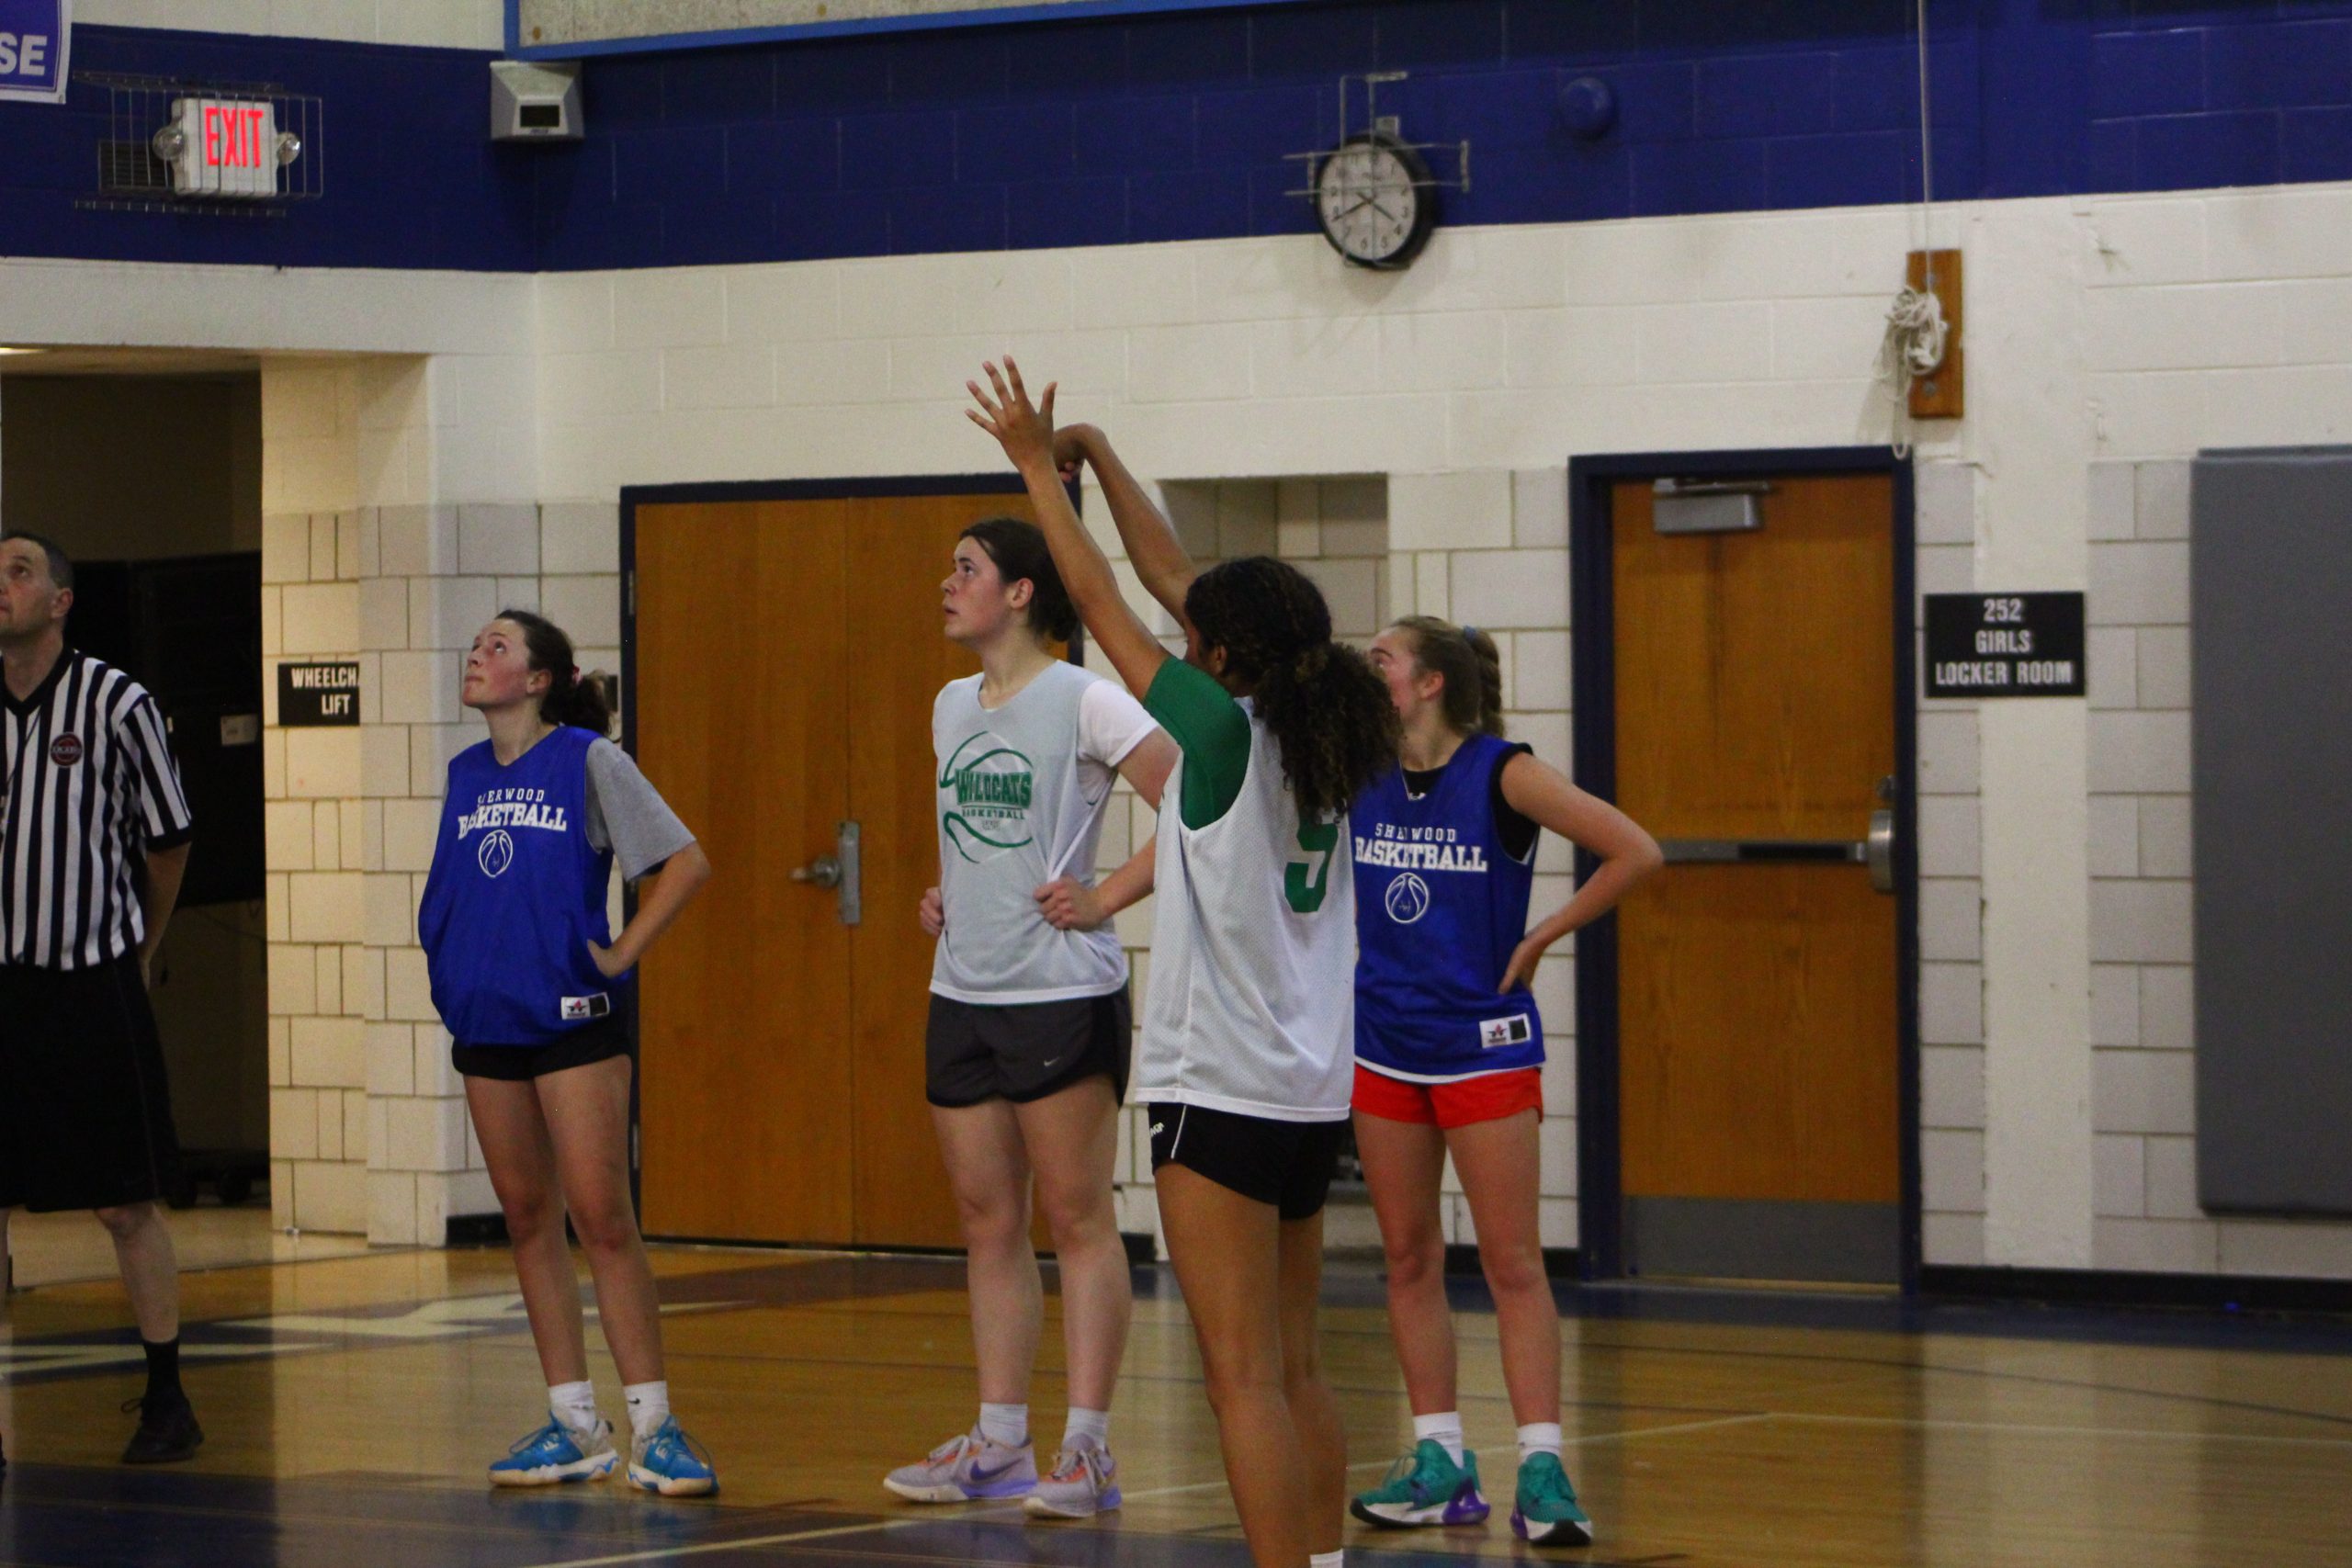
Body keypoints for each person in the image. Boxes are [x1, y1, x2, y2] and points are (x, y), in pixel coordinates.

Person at [968, 358, 1398, 1568]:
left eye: (1198, 628)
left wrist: (1032, 474)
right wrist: (1094, 455)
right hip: (1315, 1089)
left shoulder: (1217, 729)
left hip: (1218, 1086)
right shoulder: (1336, 716)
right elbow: (1168, 580)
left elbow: (1108, 595)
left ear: (1218, 652)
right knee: (1299, 1361)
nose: (1180, 623)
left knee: (1240, 1378)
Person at [1345, 616, 1660, 1548]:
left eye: (1383, 661)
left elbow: (1635, 849)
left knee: (1512, 1263)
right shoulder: (1358, 770)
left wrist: (1543, 932)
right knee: (1407, 1259)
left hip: (1481, 1044)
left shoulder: (1503, 772)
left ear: (1431, 682)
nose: (1373, 674)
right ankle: (1439, 1458)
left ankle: (1542, 1466)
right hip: (1383, 1043)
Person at [885, 517, 1177, 1520]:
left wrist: (1106, 895)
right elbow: (979, 832)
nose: (946, 582)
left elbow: (1192, 800)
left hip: (1062, 992)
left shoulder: (1085, 698)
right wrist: (946, 893)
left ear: (1019, 593)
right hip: (962, 990)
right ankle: (1000, 1440)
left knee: (1078, 1219)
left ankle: (1086, 1449)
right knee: (985, 1220)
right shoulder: (947, 705)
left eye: (965, 568)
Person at [417, 610, 718, 1496]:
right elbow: (455, 889)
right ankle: (574, 1420)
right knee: (523, 1215)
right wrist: (449, 964)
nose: (478, 653)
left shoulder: (588, 758)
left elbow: (685, 861)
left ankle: (656, 1423)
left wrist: (623, 952)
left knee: (601, 1215)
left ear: (540, 678)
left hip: (574, 1017)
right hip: (489, 1022)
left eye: (498, 646)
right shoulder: (465, 773)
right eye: (474, 642)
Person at [0, 532, 202, 1466]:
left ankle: (167, 1392)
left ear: (62, 599)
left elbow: (169, 842)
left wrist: (142, 947)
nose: (2, 588)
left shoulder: (118, 702)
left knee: (125, 1202)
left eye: (19, 571)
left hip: (91, 979)